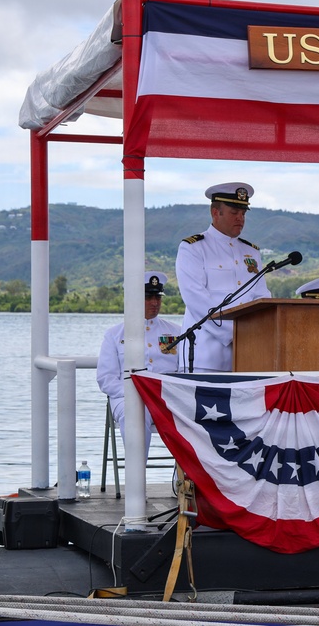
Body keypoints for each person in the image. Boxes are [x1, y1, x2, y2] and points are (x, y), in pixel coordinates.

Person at [175, 183, 271, 372]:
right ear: (215, 212)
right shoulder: (193, 248)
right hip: (204, 356)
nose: (240, 218)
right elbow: (196, 300)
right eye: (234, 212)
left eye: (243, 213)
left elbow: (262, 298)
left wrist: (260, 335)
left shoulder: (251, 252)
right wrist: (236, 334)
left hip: (249, 354)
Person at [96, 271, 182, 453]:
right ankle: (136, 478)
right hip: (127, 398)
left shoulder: (176, 331)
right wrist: (139, 393)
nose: (155, 302)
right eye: (148, 297)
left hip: (168, 398)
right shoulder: (114, 335)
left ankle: (186, 477)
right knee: (135, 413)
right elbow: (106, 379)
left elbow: (183, 371)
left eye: (157, 297)